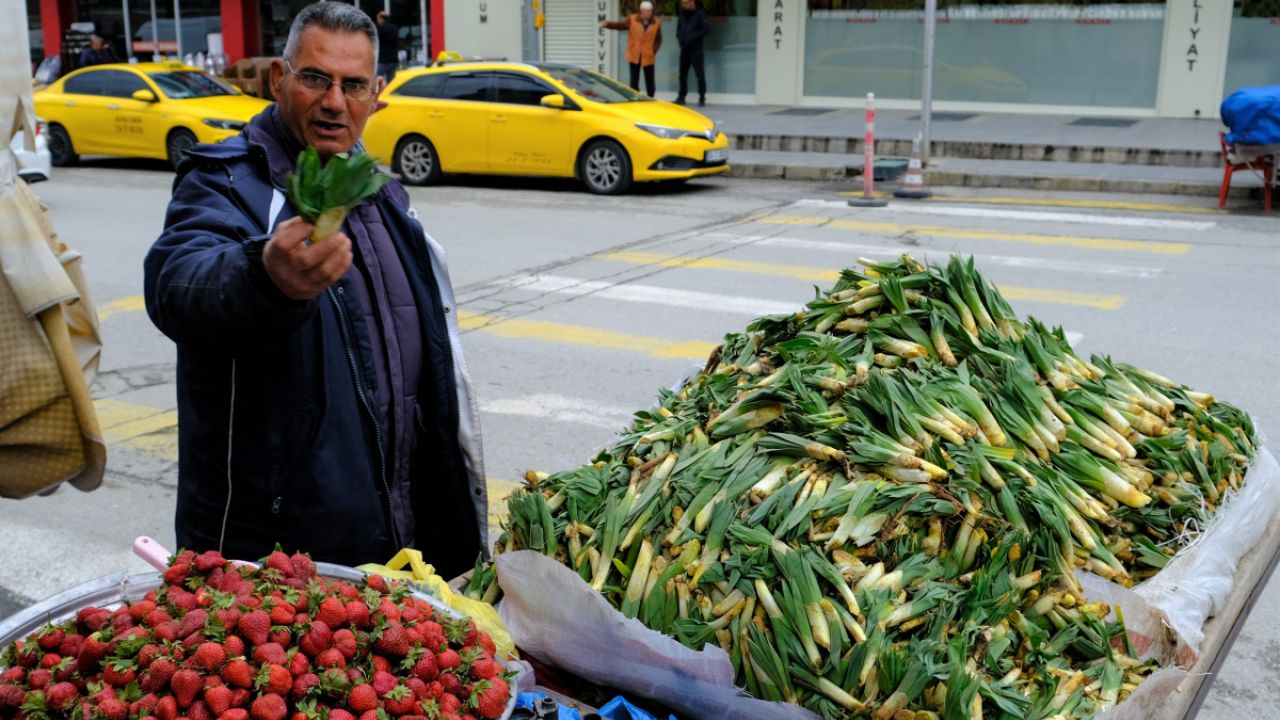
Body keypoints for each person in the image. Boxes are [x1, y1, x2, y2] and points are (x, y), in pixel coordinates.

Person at [143, 1, 487, 576]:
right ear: (279, 80)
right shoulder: (224, 183)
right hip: (277, 555)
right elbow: (177, 284)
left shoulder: (384, 197)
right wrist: (263, 276)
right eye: (314, 79)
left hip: (396, 539)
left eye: (353, 85)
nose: (334, 102)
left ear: (376, 95)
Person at [601, 1, 662, 98]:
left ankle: (651, 97)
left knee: (650, 80)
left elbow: (659, 38)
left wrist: (654, 50)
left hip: (648, 55)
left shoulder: (656, 22)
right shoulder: (632, 19)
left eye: (651, 11)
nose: (651, 13)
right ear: (642, 11)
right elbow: (620, 25)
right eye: (649, 11)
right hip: (634, 54)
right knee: (634, 80)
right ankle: (634, 97)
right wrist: (608, 24)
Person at [675, 0, 709, 107]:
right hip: (684, 48)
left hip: (696, 49)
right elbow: (679, 27)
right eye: (683, 3)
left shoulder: (700, 13)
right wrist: (680, 38)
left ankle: (702, 97)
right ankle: (681, 96)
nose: (685, 5)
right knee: (682, 74)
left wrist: (693, 37)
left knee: (699, 74)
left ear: (693, 2)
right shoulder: (682, 13)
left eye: (687, 3)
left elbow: (706, 30)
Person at [374, 11, 399, 84]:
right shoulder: (395, 27)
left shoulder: (381, 28)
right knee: (391, 82)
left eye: (378, 19)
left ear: (381, 19)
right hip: (394, 58)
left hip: (384, 60)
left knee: (374, 78)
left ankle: (376, 94)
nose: (378, 21)